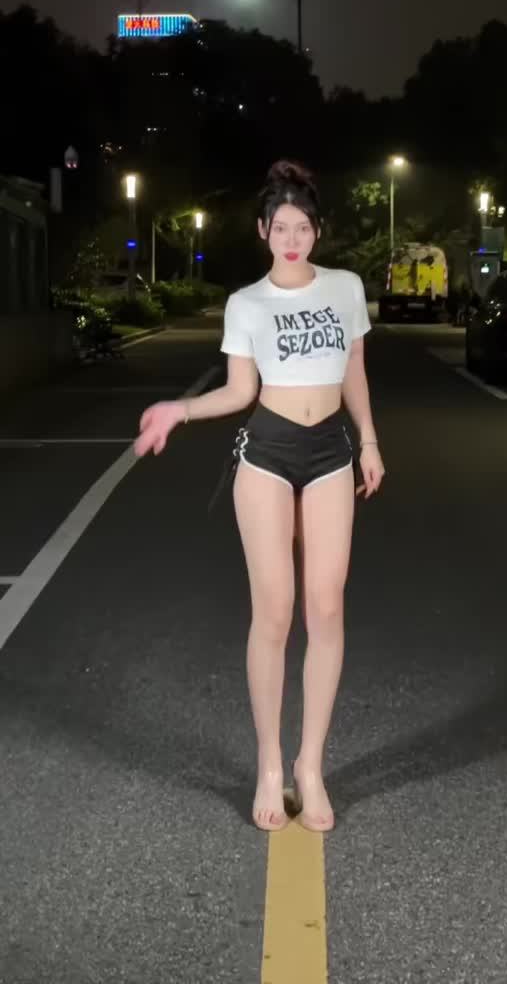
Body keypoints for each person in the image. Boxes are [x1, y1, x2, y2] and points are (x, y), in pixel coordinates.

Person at [134, 160, 385, 833]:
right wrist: (180, 410)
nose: (292, 239)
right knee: (273, 613)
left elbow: (354, 370)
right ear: (262, 231)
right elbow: (241, 391)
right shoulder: (246, 304)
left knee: (325, 608)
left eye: (303, 227)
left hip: (330, 451)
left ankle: (311, 765)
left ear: (318, 230)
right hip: (268, 453)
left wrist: (368, 441)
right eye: (281, 228)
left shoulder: (344, 288)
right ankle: (271, 765)